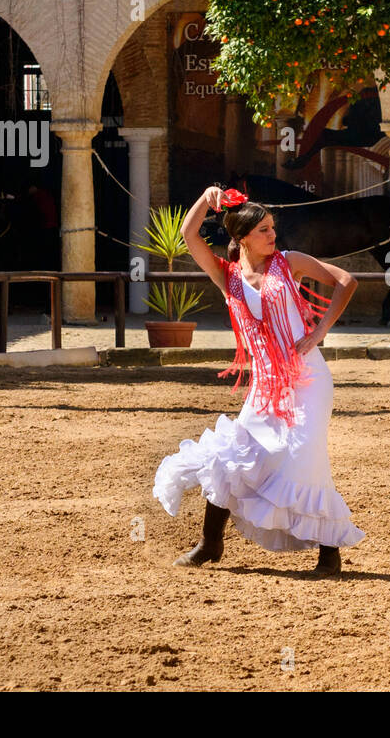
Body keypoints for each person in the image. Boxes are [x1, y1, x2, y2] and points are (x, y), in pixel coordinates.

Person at [153, 185, 365, 575]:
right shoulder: (227, 276)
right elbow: (188, 235)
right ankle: (210, 544)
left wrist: (319, 333)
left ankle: (330, 554)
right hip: (265, 387)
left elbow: (345, 281)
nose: (272, 235)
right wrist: (205, 197)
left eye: (272, 227)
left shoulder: (290, 261)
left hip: (309, 380)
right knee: (232, 456)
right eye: (264, 230)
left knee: (305, 462)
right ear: (242, 237)